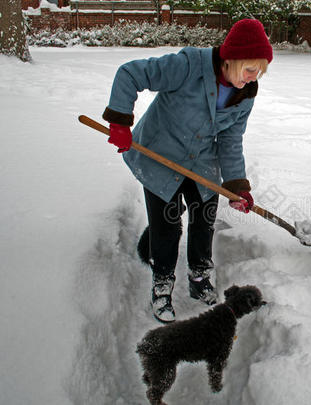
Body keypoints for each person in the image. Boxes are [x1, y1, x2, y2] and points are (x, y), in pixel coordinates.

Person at [102, 19, 273, 323]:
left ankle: (199, 275)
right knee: (166, 225)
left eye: (258, 71)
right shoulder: (188, 66)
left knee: (204, 218)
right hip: (160, 155)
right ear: (232, 60)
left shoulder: (245, 93)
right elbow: (130, 73)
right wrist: (120, 121)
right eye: (250, 69)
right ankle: (162, 283)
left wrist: (236, 186)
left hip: (202, 162)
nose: (253, 77)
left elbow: (231, 139)